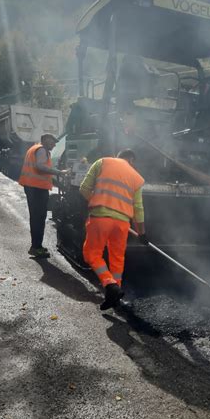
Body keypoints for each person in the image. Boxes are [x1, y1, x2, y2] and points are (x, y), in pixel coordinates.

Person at [79, 149, 145, 310]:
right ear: (132, 160)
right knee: (117, 258)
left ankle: (110, 285)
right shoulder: (137, 177)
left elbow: (84, 188)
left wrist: (95, 201)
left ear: (118, 156)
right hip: (122, 223)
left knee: (92, 253)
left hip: (101, 217)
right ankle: (114, 296)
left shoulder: (103, 162)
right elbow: (138, 208)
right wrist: (142, 233)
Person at [18, 133, 67, 259]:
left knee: (36, 217)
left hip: (32, 187)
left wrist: (57, 180)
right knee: (38, 218)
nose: (54, 144)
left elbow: (42, 171)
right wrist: (59, 172)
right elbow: (40, 167)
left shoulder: (35, 148)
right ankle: (36, 247)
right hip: (36, 189)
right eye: (52, 141)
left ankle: (36, 245)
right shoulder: (41, 150)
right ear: (45, 140)